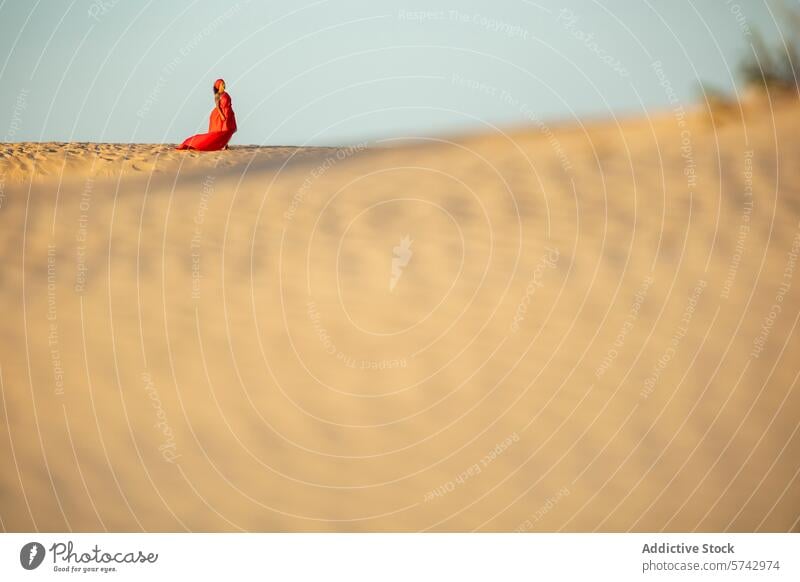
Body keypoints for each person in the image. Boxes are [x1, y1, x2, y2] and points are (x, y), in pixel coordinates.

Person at [177, 78, 237, 151]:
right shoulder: (217, 95)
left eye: (224, 83)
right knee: (220, 131)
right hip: (220, 114)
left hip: (228, 113)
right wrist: (222, 115)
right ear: (218, 86)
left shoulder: (226, 93)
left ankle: (225, 144)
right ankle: (194, 143)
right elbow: (218, 106)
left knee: (227, 130)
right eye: (222, 84)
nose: (224, 85)